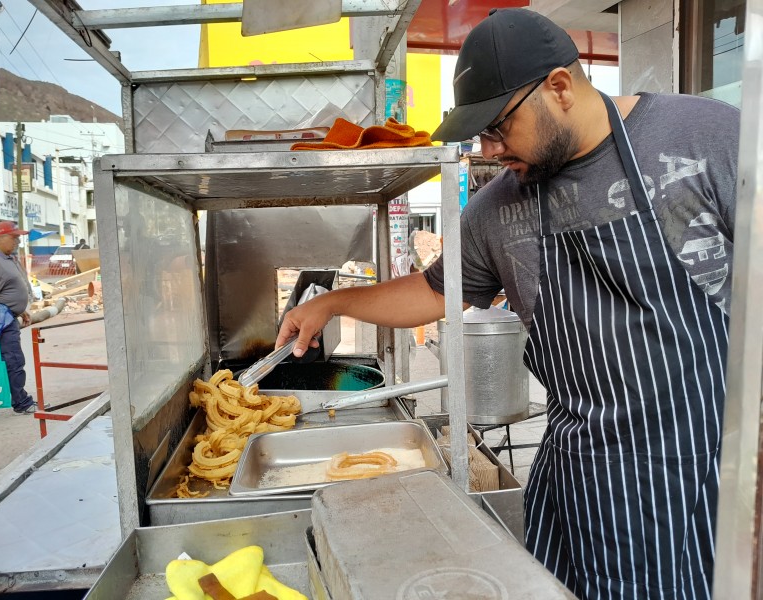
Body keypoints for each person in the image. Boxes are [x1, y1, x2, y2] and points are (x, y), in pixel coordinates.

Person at [277, 8, 737, 599]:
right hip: (587, 484)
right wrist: (336, 303)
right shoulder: (497, 210)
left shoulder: (705, 141)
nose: (490, 149)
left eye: (498, 127)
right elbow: (433, 292)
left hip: (707, 473)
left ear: (560, 87)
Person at [0, 221, 36, 414]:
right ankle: (22, 403)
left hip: (9, 317)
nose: (18, 240)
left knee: (0, 360)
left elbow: (8, 289)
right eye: (14, 237)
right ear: (0, 238)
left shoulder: (8, 258)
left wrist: (21, 310)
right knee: (13, 360)